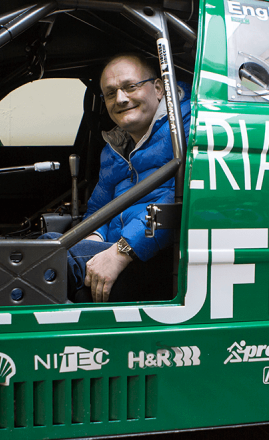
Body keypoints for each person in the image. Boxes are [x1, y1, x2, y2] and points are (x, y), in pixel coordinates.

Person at [44, 53, 191, 303]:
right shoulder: (113, 148)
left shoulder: (189, 130)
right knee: (44, 246)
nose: (120, 99)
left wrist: (121, 252)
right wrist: (91, 239)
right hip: (116, 249)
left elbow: (175, 202)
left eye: (130, 87)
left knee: (49, 259)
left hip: (158, 257)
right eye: (110, 93)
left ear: (158, 88)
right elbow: (99, 209)